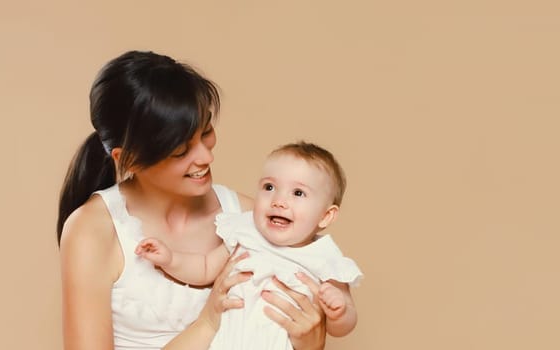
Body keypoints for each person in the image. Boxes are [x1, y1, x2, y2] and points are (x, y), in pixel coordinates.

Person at [57, 50, 328, 350]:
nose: (206, 156)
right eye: (180, 151)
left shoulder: (252, 217)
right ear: (129, 159)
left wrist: (311, 341)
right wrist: (208, 323)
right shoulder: (93, 231)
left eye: (207, 131)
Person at [135, 142, 363, 349]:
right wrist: (171, 259)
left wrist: (339, 311)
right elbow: (205, 268)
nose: (279, 201)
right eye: (269, 187)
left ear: (325, 216)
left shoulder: (324, 257)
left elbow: (342, 325)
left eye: (298, 193)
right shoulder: (245, 232)